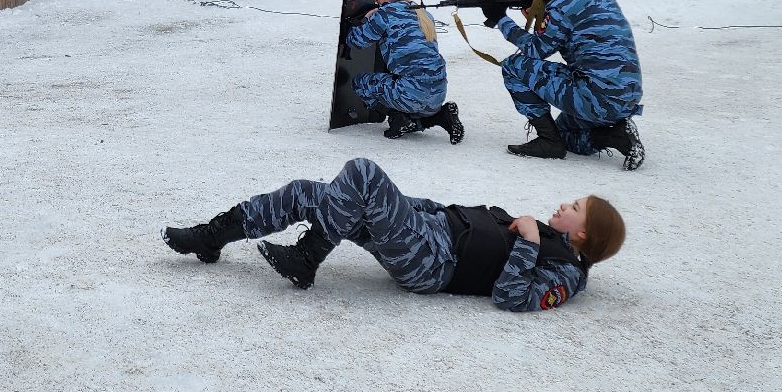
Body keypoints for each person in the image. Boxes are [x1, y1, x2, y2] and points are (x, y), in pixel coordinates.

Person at [161, 157, 623, 311]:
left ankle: (308, 256)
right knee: (309, 193)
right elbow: (455, 216)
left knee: (361, 173)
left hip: (434, 266)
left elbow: (511, 297)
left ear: (584, 236)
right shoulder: (548, 237)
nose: (564, 205)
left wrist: (528, 242)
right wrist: (407, 205)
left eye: (575, 208)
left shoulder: (565, 272)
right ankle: (212, 237)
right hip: (426, 234)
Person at [483, 0, 644, 169]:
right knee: (566, 136)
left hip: (596, 97)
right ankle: (616, 136)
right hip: (626, 96)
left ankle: (548, 142)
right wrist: (543, 18)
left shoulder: (561, 7)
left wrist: (501, 19)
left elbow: (535, 50)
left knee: (514, 66)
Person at [344, 0, 459, 139]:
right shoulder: (424, 14)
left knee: (361, 83)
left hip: (410, 95)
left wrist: (366, 20)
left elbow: (356, 41)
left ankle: (399, 119)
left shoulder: (385, 15)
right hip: (437, 94)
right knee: (411, 93)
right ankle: (440, 116)